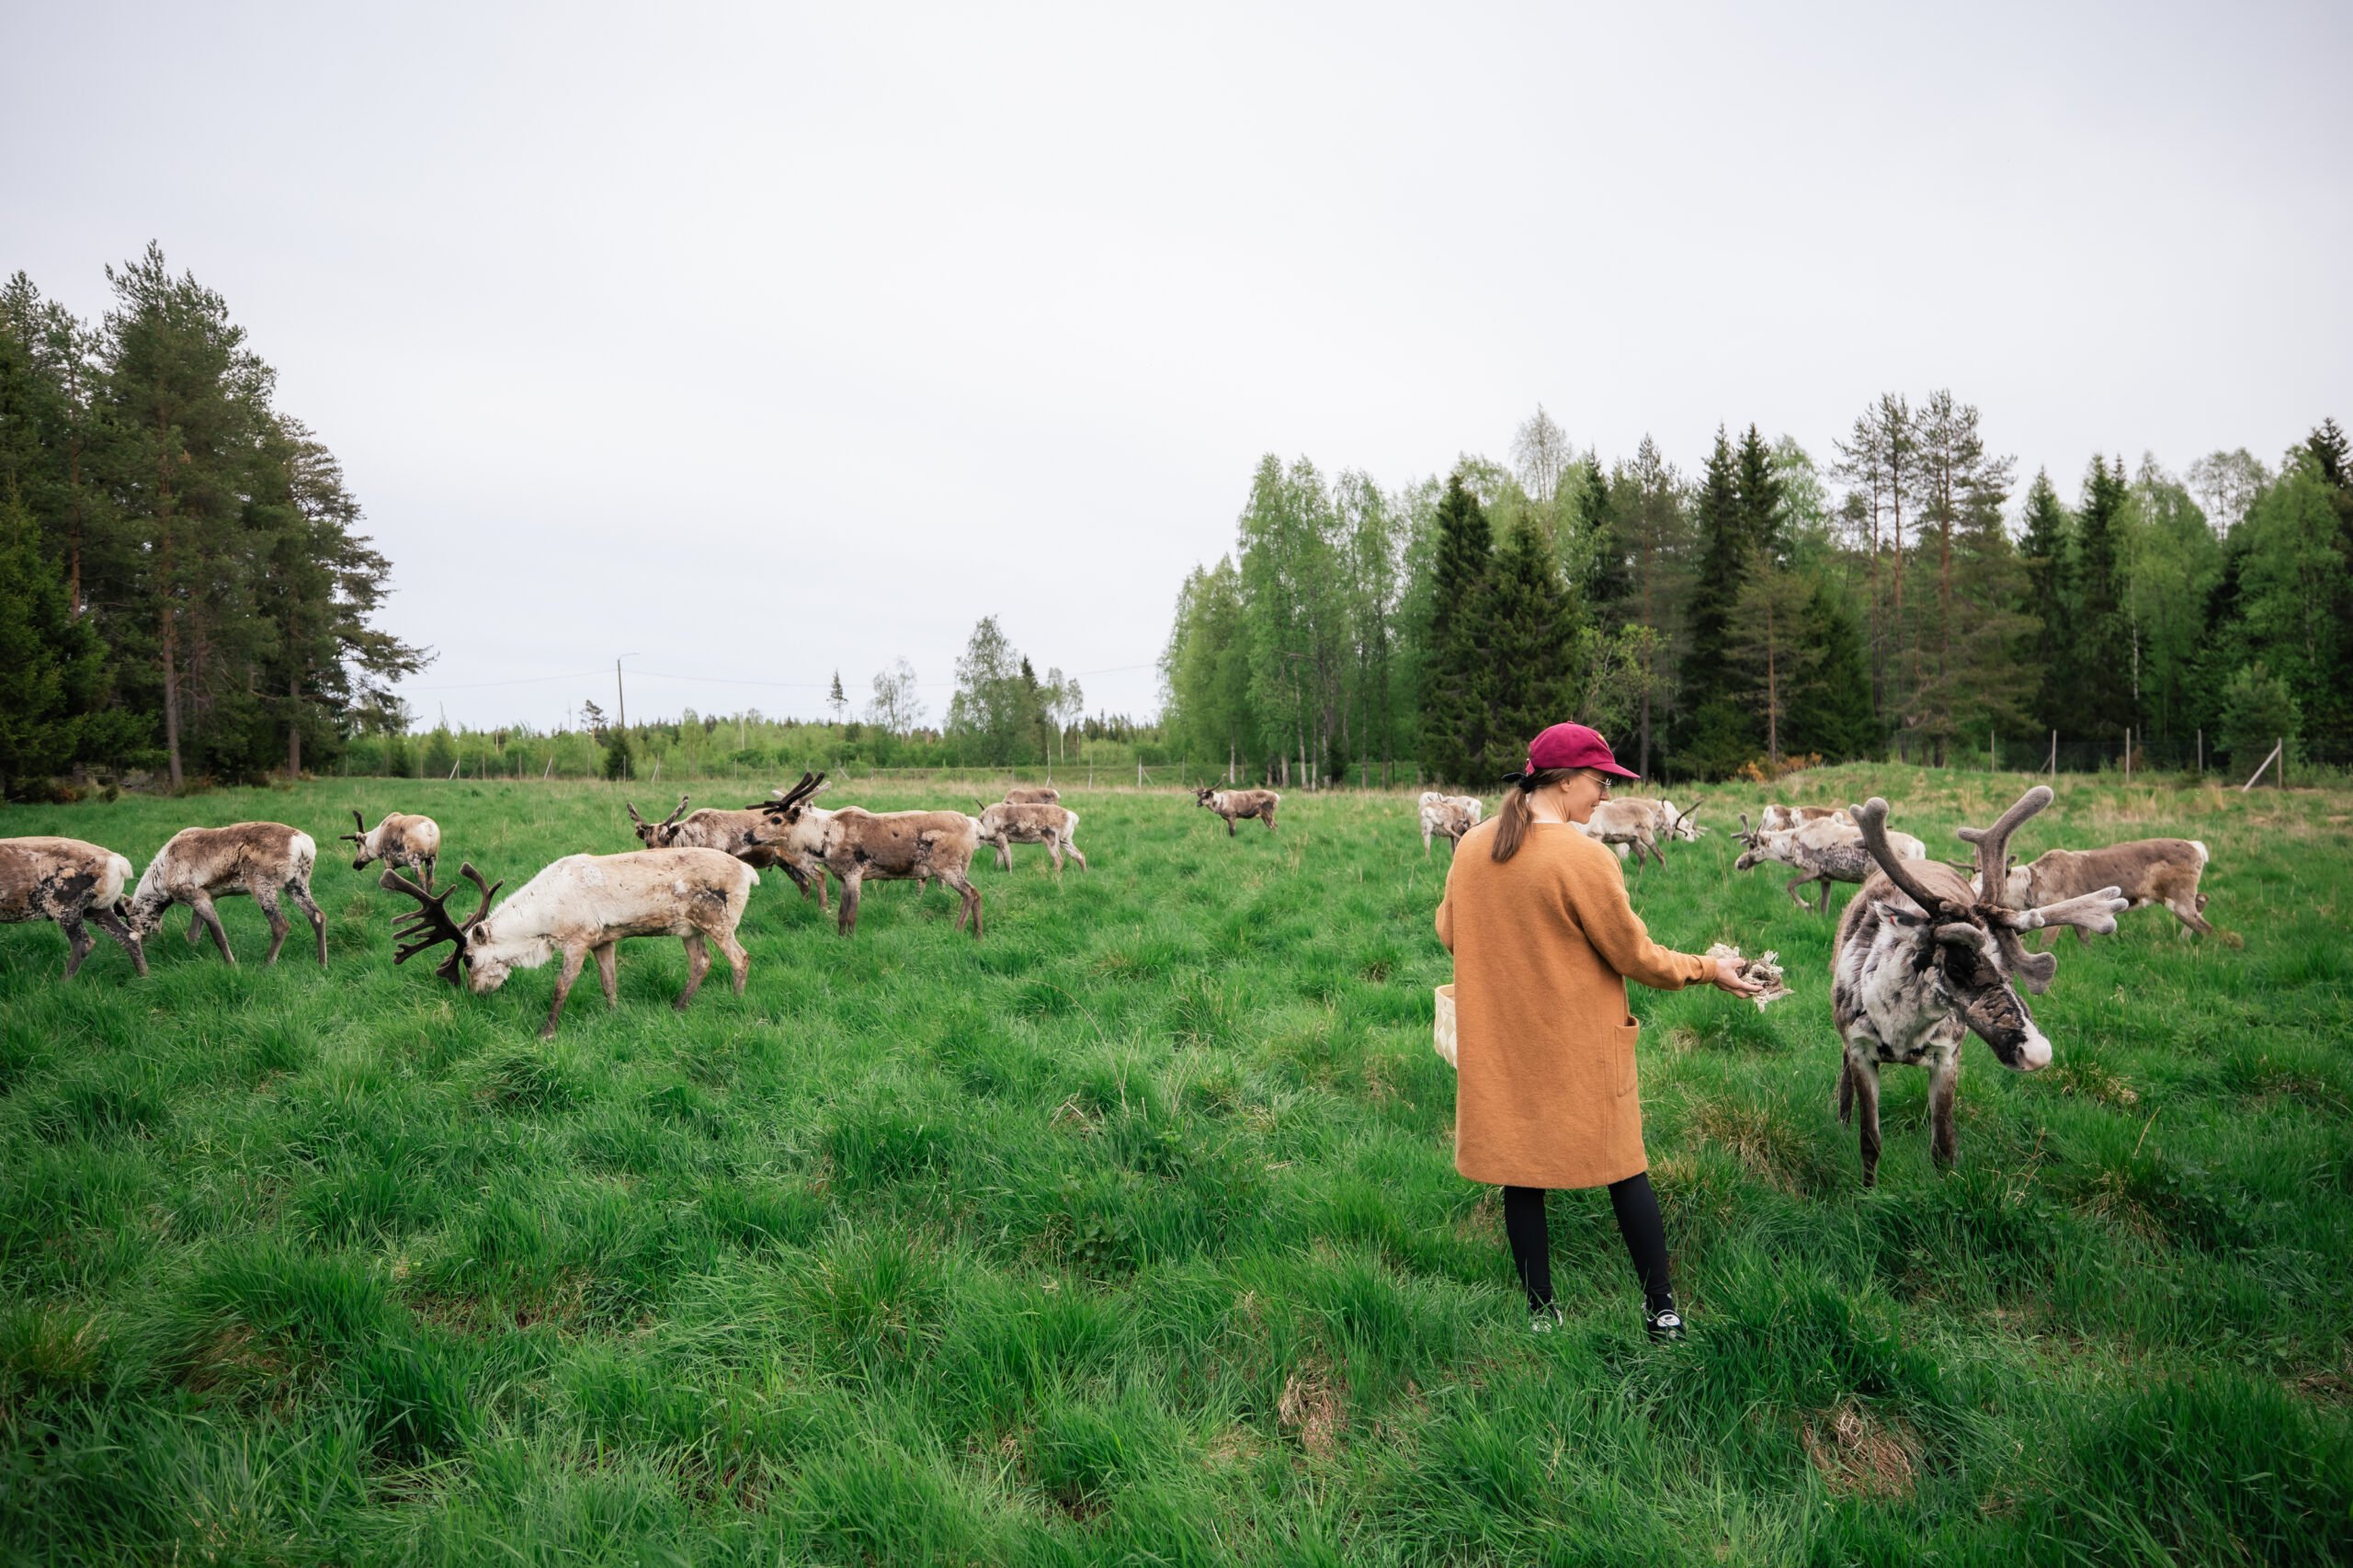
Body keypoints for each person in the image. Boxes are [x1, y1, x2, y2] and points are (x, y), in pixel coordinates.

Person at [1435, 722, 1762, 1340]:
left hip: (1503, 1043)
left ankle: (1541, 1316)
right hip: (1579, 1045)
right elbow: (1635, 956)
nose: (1606, 796)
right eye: (1600, 781)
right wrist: (1709, 968)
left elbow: (1450, 933)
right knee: (1623, 1166)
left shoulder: (1472, 846)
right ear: (1563, 780)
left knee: (1520, 1172)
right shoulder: (1588, 858)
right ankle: (1661, 1309)